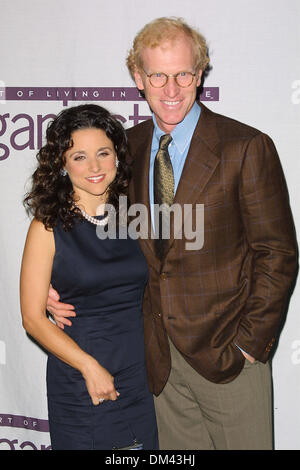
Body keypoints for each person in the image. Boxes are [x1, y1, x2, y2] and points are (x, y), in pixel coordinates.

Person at [47, 17, 298, 450]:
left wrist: (249, 345)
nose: (171, 89)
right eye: (158, 75)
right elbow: (89, 222)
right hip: (154, 360)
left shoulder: (245, 146)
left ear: (199, 75)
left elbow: (276, 252)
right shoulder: (124, 149)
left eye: (183, 74)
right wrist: (55, 281)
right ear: (138, 78)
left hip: (229, 358)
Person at [20, 104, 158, 450]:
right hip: (81, 379)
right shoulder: (48, 226)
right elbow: (33, 319)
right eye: (79, 157)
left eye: (103, 153)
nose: (94, 167)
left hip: (140, 377)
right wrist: (88, 367)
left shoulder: (136, 216)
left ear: (117, 158)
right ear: (62, 166)